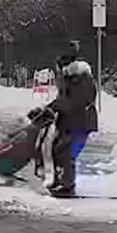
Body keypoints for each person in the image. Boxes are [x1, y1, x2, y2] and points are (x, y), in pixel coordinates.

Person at [40, 41, 98, 197]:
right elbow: (64, 100)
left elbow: (74, 101)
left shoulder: (79, 78)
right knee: (58, 149)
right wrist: (49, 108)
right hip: (70, 121)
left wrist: (53, 108)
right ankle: (61, 181)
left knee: (66, 152)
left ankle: (67, 185)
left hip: (80, 122)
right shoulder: (70, 78)